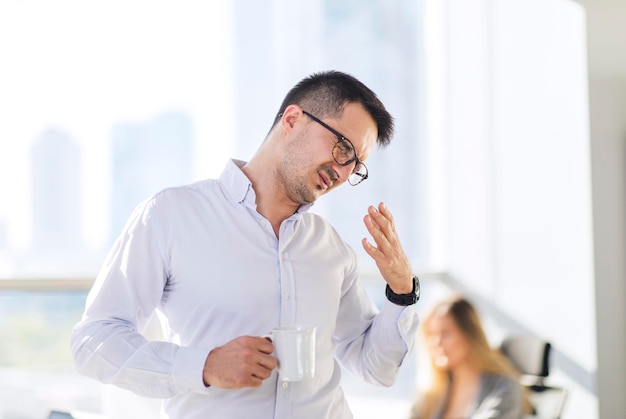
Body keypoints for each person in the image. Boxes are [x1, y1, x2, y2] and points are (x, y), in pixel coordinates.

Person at [71, 70, 421, 419]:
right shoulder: (171, 216)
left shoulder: (331, 248)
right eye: (343, 148)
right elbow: (93, 341)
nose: (344, 172)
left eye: (357, 166)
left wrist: (402, 289)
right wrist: (203, 366)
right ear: (293, 119)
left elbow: (376, 367)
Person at [409, 295, 529, 419]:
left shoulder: (505, 387)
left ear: (469, 334)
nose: (436, 342)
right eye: (431, 334)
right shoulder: (430, 393)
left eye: (445, 333)